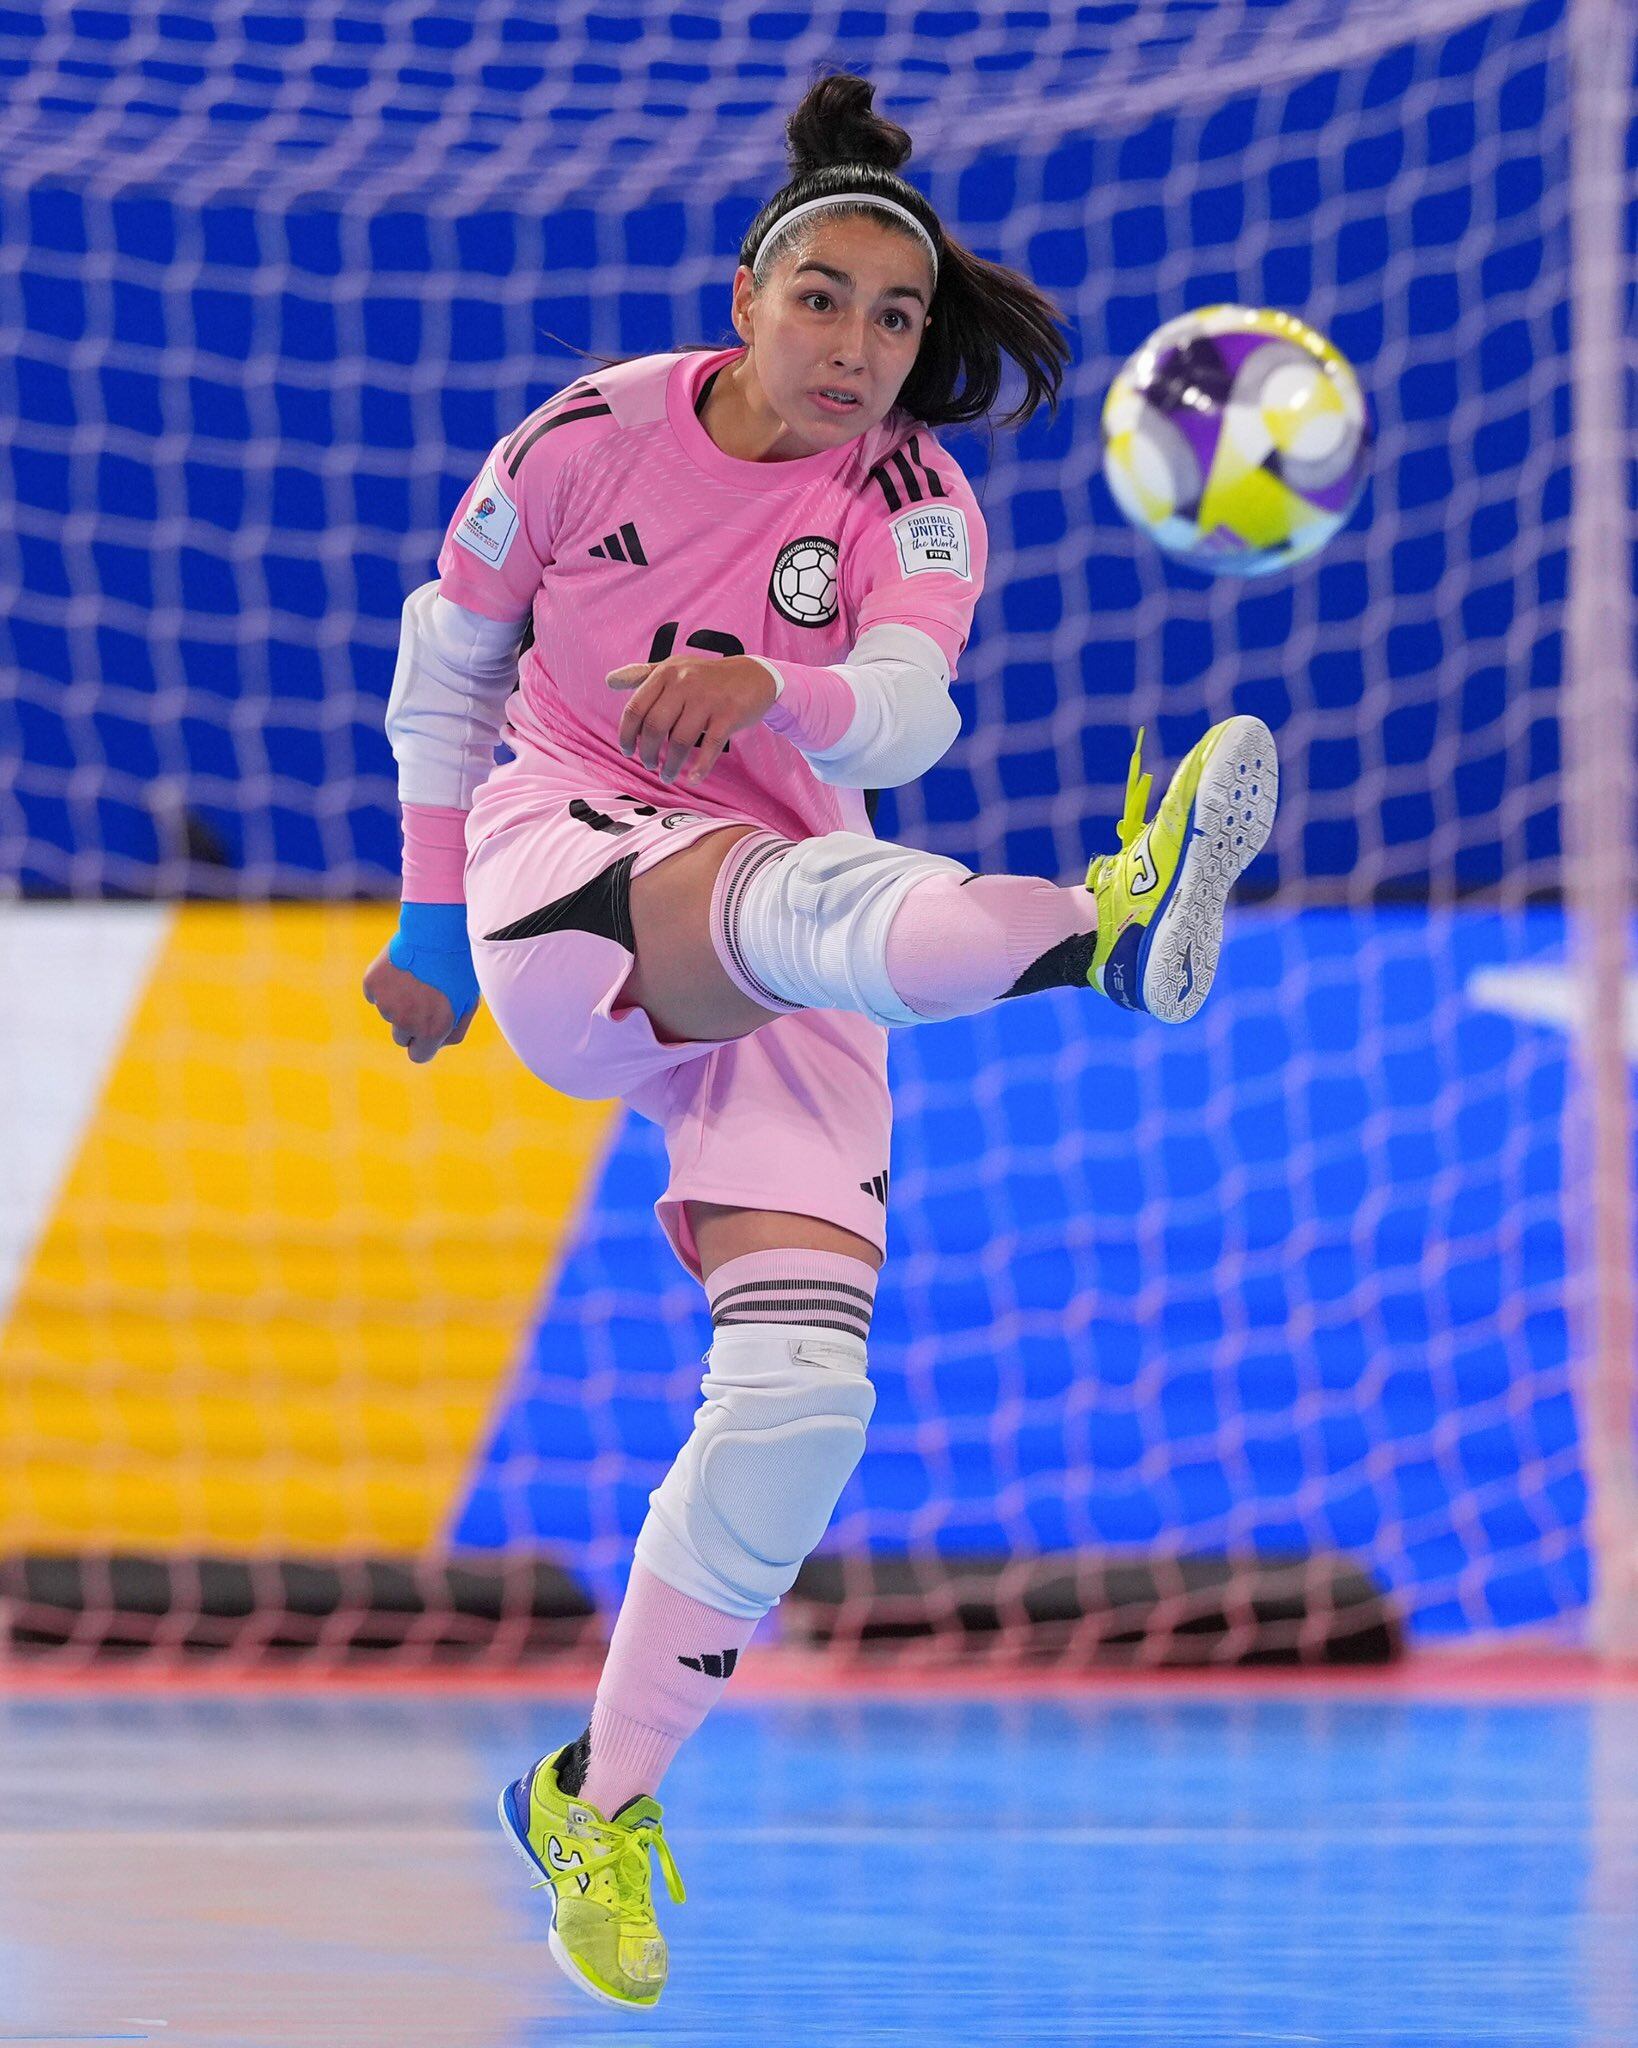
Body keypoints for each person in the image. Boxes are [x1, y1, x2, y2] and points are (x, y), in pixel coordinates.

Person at [363, 68, 1277, 2012]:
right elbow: (448, 666)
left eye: (895, 317)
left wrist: (774, 682)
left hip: (793, 890)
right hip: (567, 866)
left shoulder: (910, 500)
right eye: (826, 299)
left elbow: (901, 717)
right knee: (805, 908)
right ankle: (1099, 936)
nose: (862, 344)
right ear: (749, 292)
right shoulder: (591, 432)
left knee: (803, 1402)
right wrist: (432, 915)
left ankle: (594, 1797)